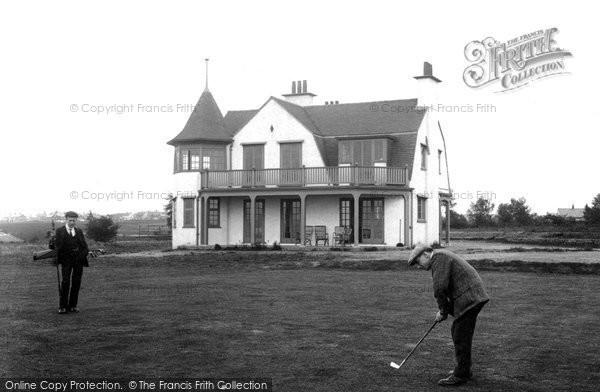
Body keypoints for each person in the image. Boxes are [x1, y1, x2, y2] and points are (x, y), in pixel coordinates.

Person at [408, 245, 489, 386]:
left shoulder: (438, 258)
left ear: (426, 254)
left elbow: (440, 288)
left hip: (470, 297)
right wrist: (443, 311)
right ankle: (464, 370)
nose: (418, 266)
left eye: (417, 261)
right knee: (459, 331)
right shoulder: (440, 256)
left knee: (460, 333)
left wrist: (443, 311)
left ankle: (461, 375)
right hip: (471, 295)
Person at [55, 211, 89, 314]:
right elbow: (57, 247)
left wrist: (81, 256)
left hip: (78, 260)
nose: (72, 222)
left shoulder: (78, 231)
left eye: (74, 220)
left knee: (76, 282)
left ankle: (73, 306)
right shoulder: (59, 231)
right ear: (66, 219)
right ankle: (63, 306)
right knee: (65, 281)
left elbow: (85, 247)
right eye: (70, 220)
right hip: (66, 260)